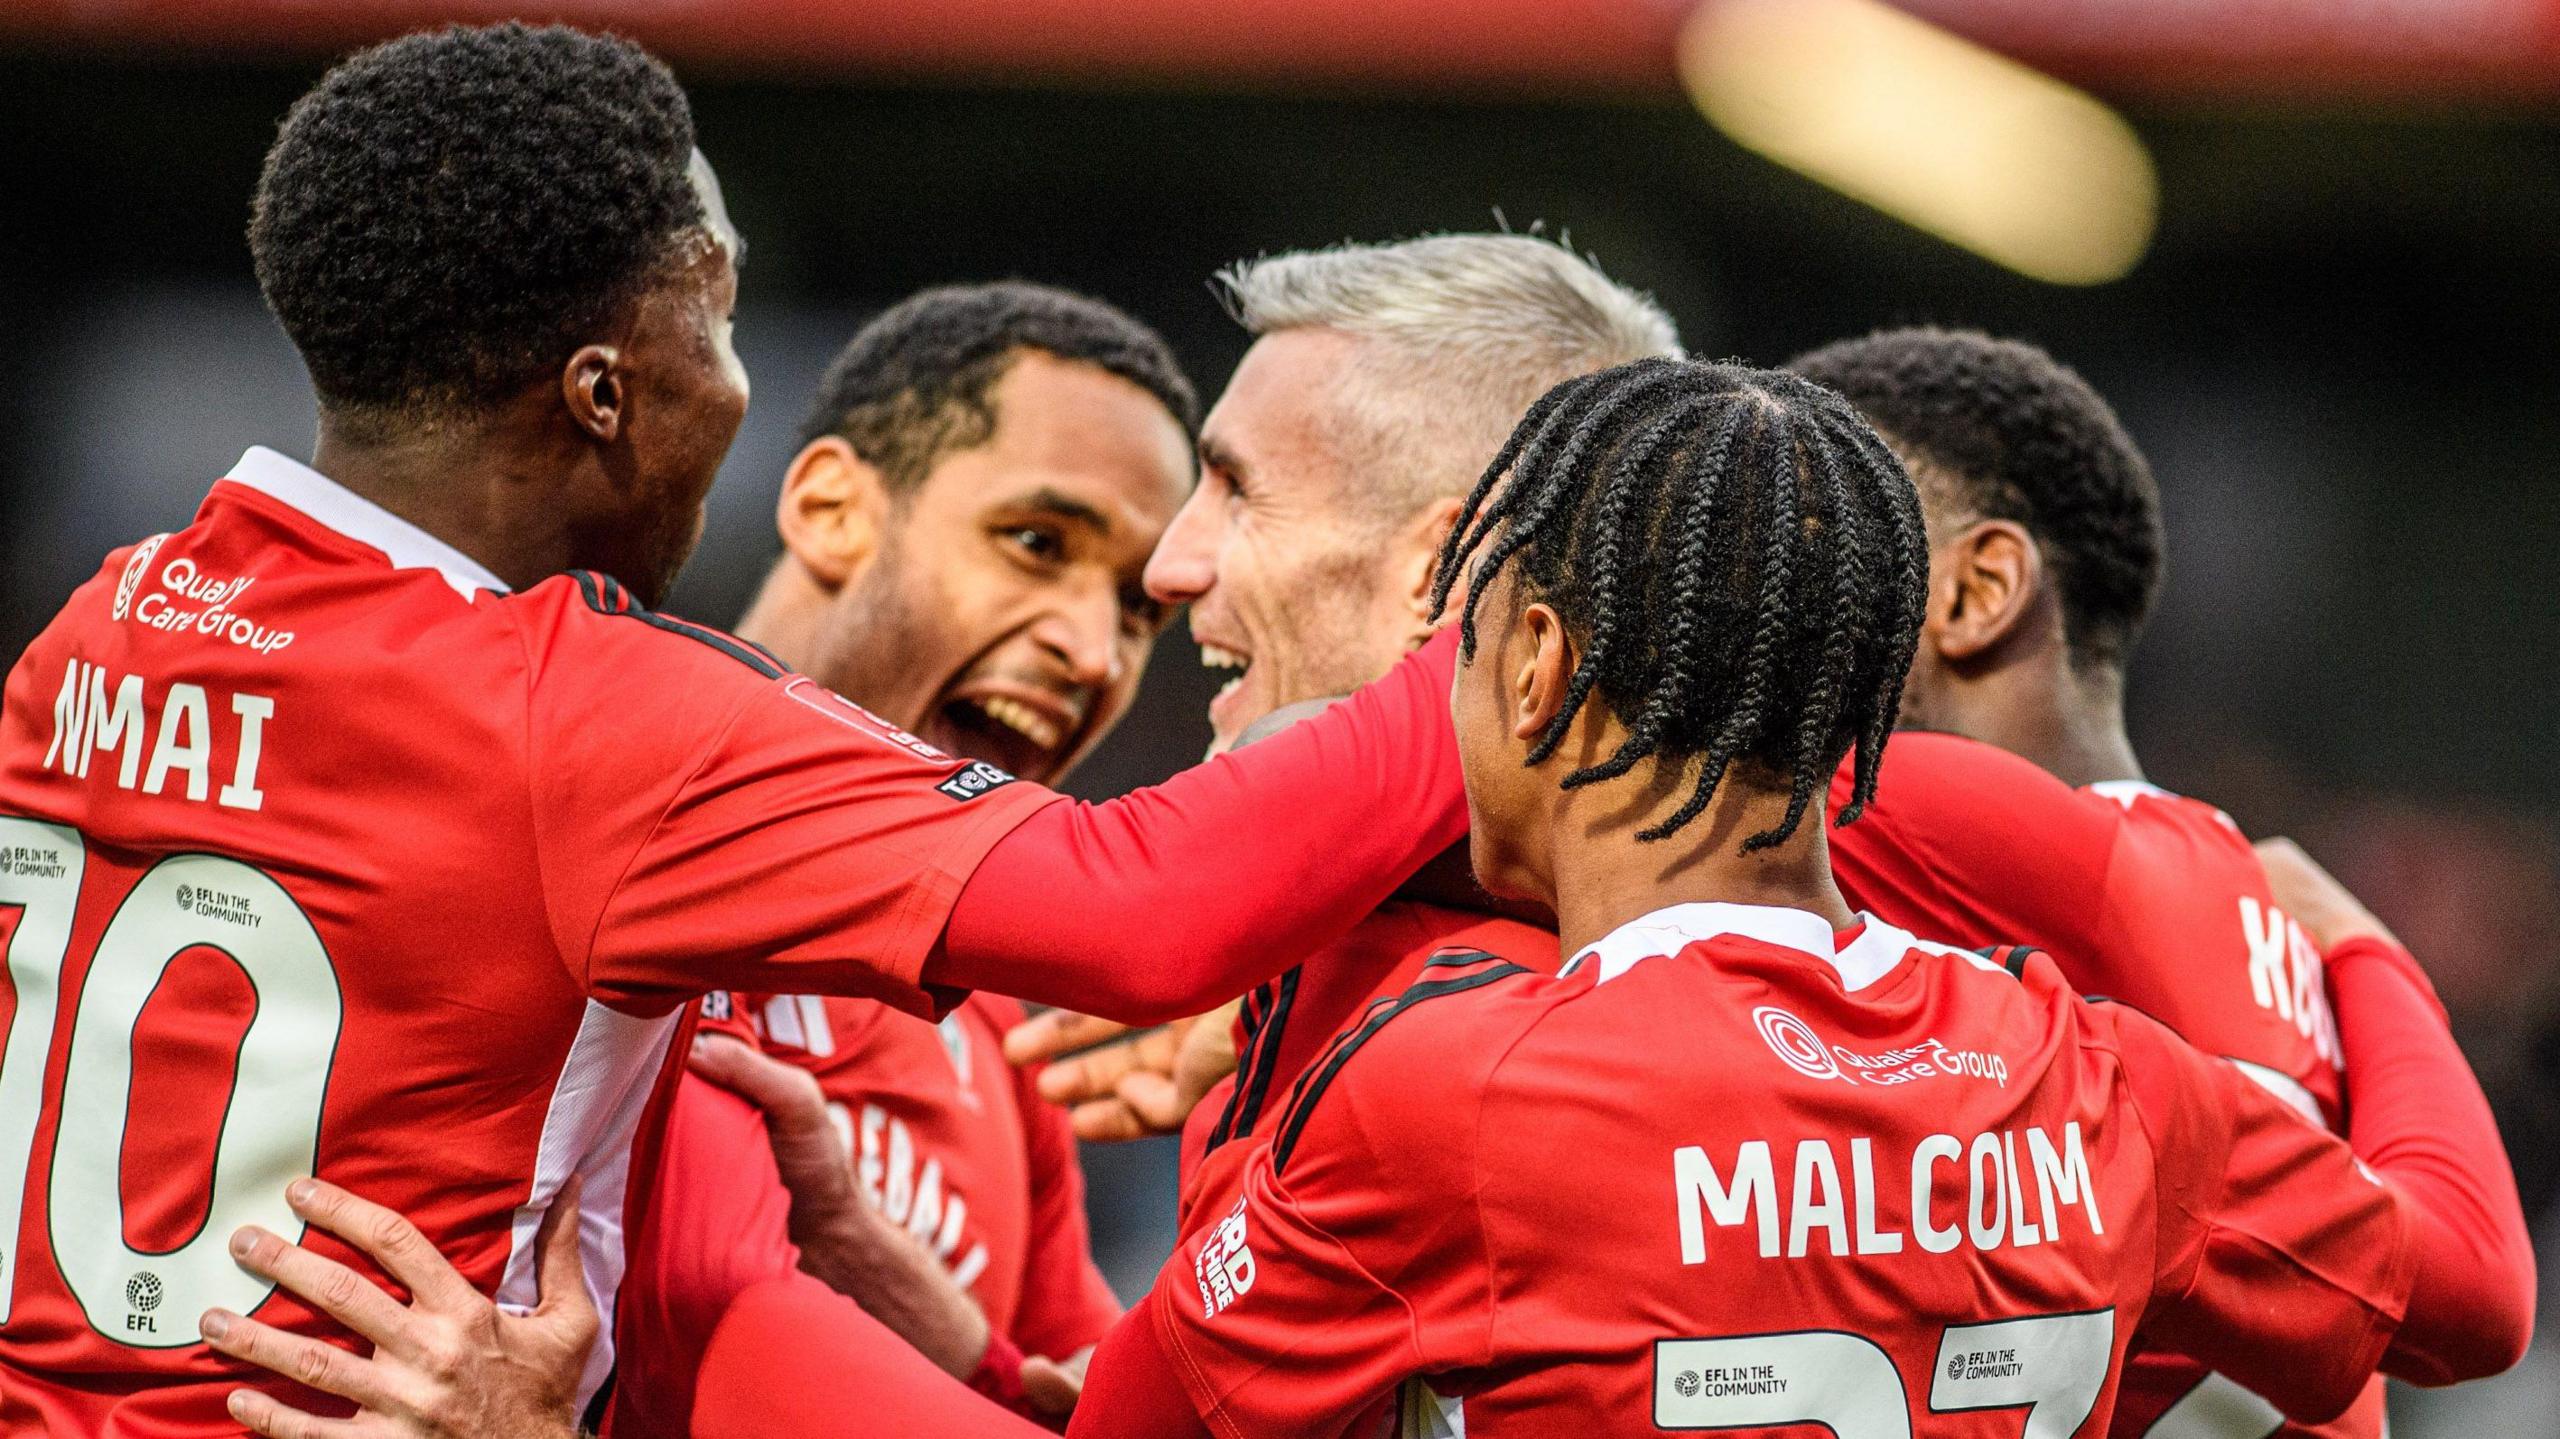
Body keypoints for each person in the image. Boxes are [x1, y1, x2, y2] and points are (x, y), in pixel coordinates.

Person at [203, 361, 2534, 1439]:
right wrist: (2353, 953)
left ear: (1514, 655)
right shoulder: (2126, 1088)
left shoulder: (1464, 1095)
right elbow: (2451, 1293)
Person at [0, 25, 1472, 1432]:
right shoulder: (602, 716)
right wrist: (1534, 595)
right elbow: (1149, 904)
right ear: (603, 390)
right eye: (713, 320)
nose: (738, 385)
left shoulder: (98, 628)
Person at [618, 283, 1195, 1431]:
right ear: (834, 508)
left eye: (1137, 610)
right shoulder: (594, 840)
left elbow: (1077, 1406)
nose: (1090, 649)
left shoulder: (1002, 1025)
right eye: (1036, 543)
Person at [1790, 328, 2387, 1437]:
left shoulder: (1948, 824)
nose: (1767, 624)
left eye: (1818, 561)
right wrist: (2376, 959)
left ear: (1974, 589)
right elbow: (2466, 1272)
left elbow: (1608, 773)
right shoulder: (2246, 891)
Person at [1005, 234, 1678, 1204]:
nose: (1168, 567)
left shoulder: (1469, 1038)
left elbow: (1126, 893)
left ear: (1450, 569)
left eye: (1237, 490)